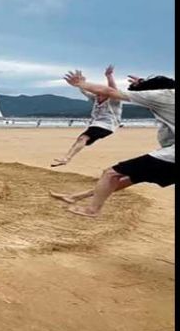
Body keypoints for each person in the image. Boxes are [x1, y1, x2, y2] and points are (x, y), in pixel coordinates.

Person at [50, 72, 174, 217]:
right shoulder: (169, 93)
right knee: (131, 178)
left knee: (111, 173)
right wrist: (142, 82)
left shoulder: (161, 95)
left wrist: (80, 84)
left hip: (170, 154)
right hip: (169, 153)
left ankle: (92, 210)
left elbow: (110, 91)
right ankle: (75, 197)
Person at [52, 65, 123, 167]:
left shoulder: (114, 101)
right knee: (81, 139)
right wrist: (81, 83)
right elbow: (84, 91)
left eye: (101, 93)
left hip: (107, 125)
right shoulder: (95, 98)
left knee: (83, 138)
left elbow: (113, 90)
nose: (98, 95)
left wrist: (109, 76)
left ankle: (66, 158)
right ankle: (66, 158)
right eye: (97, 93)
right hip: (96, 125)